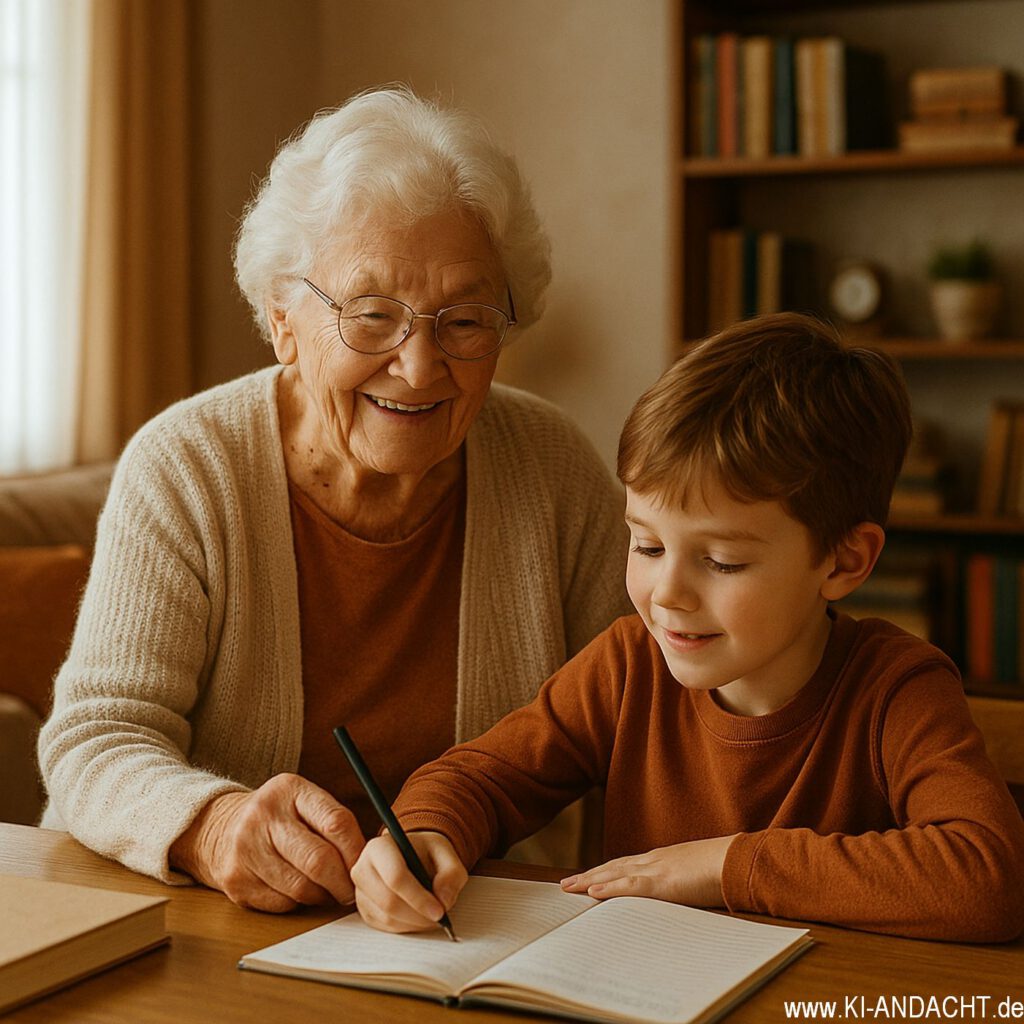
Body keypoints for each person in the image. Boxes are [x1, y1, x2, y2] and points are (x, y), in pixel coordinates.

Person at [37, 87, 630, 912]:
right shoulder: (188, 468)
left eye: (464, 320)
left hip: (483, 927)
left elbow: (646, 718)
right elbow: (97, 738)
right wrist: (213, 825)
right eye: (372, 315)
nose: (419, 366)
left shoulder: (553, 468)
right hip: (221, 921)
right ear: (283, 321)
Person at [350, 312, 1024, 943]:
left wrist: (726, 866)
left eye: (722, 561)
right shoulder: (627, 666)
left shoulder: (898, 689)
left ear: (844, 561)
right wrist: (425, 834)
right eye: (647, 546)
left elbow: (988, 878)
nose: (667, 593)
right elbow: (481, 777)